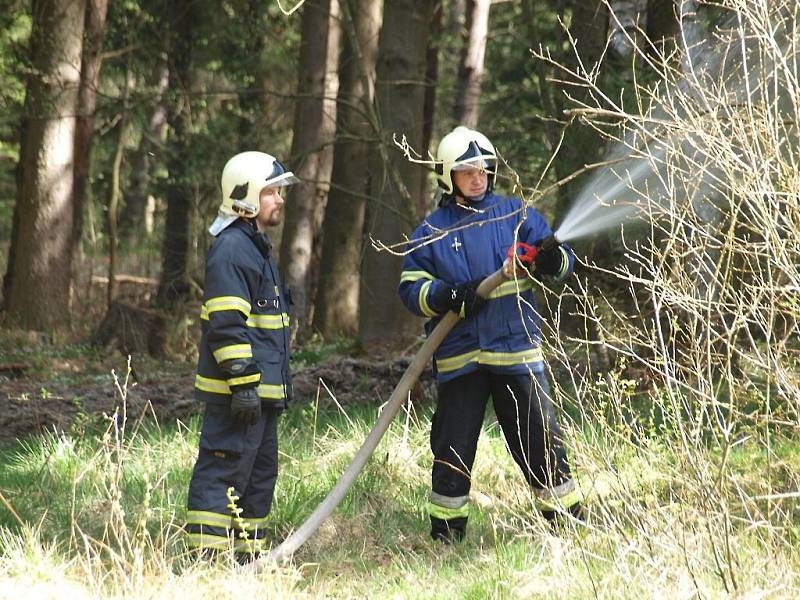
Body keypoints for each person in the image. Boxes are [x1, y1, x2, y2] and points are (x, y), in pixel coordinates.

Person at [398, 126, 583, 543]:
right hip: (461, 357)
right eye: (467, 171)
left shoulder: (517, 215)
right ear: (448, 177)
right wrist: (448, 294)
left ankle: (567, 528)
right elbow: (411, 290)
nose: (478, 178)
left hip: (516, 350)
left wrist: (553, 260)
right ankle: (446, 536)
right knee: (453, 449)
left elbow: (564, 265)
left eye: (483, 169)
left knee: (541, 440)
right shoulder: (432, 232)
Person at [185, 151, 298, 558]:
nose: (279, 199)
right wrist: (245, 384)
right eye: (271, 191)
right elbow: (227, 325)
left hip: (259, 394)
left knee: (257, 478)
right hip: (239, 393)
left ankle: (247, 560)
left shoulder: (256, 249)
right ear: (245, 197)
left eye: (279, 191)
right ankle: (208, 563)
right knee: (224, 471)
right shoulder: (233, 249)